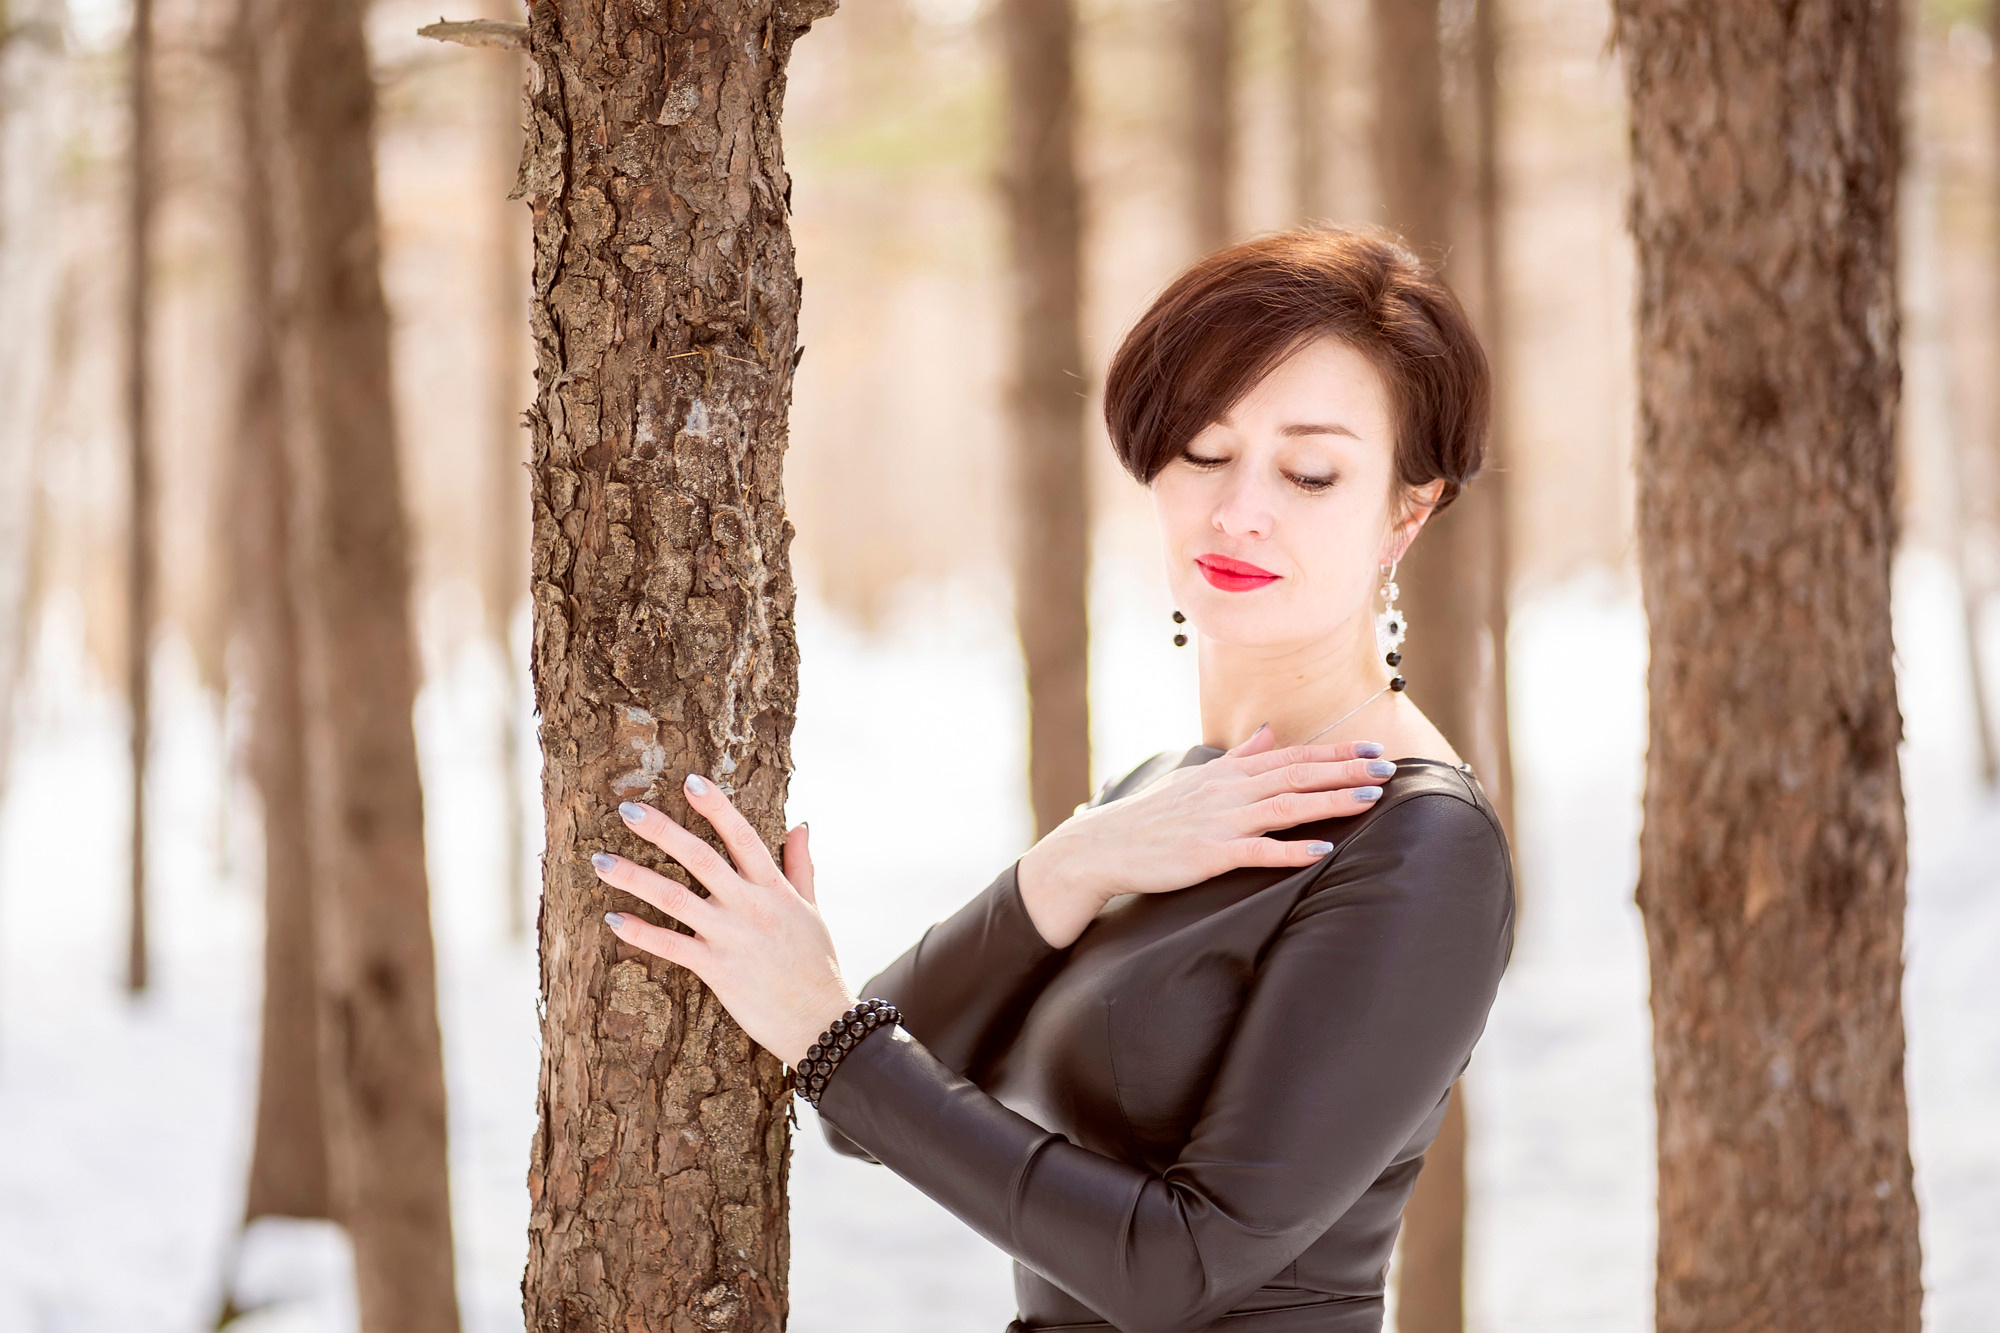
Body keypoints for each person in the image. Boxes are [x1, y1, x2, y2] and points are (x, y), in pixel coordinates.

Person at [593, 226, 1517, 1332]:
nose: (1238, 512)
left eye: (1309, 471)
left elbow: (1179, 1263)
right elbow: (865, 1098)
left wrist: (827, 1034)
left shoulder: (1420, 843)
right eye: (1204, 452)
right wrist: (1066, 863)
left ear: (1404, 512)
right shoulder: (1164, 793)